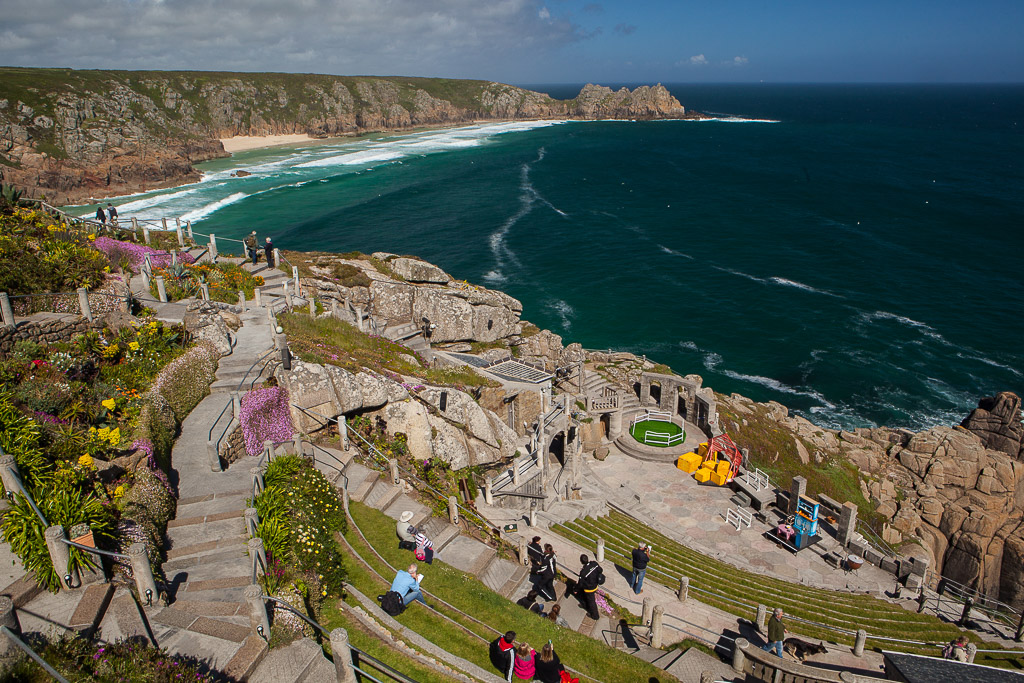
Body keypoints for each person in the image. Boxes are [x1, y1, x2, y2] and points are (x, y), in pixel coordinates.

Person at [577, 554, 604, 620]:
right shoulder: (594, 564)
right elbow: (600, 570)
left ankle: (595, 616)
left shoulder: (583, 572)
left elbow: (580, 583)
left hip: (589, 589)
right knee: (585, 597)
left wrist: (575, 589)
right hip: (595, 584)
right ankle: (585, 605)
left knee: (591, 602)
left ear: (581, 562)